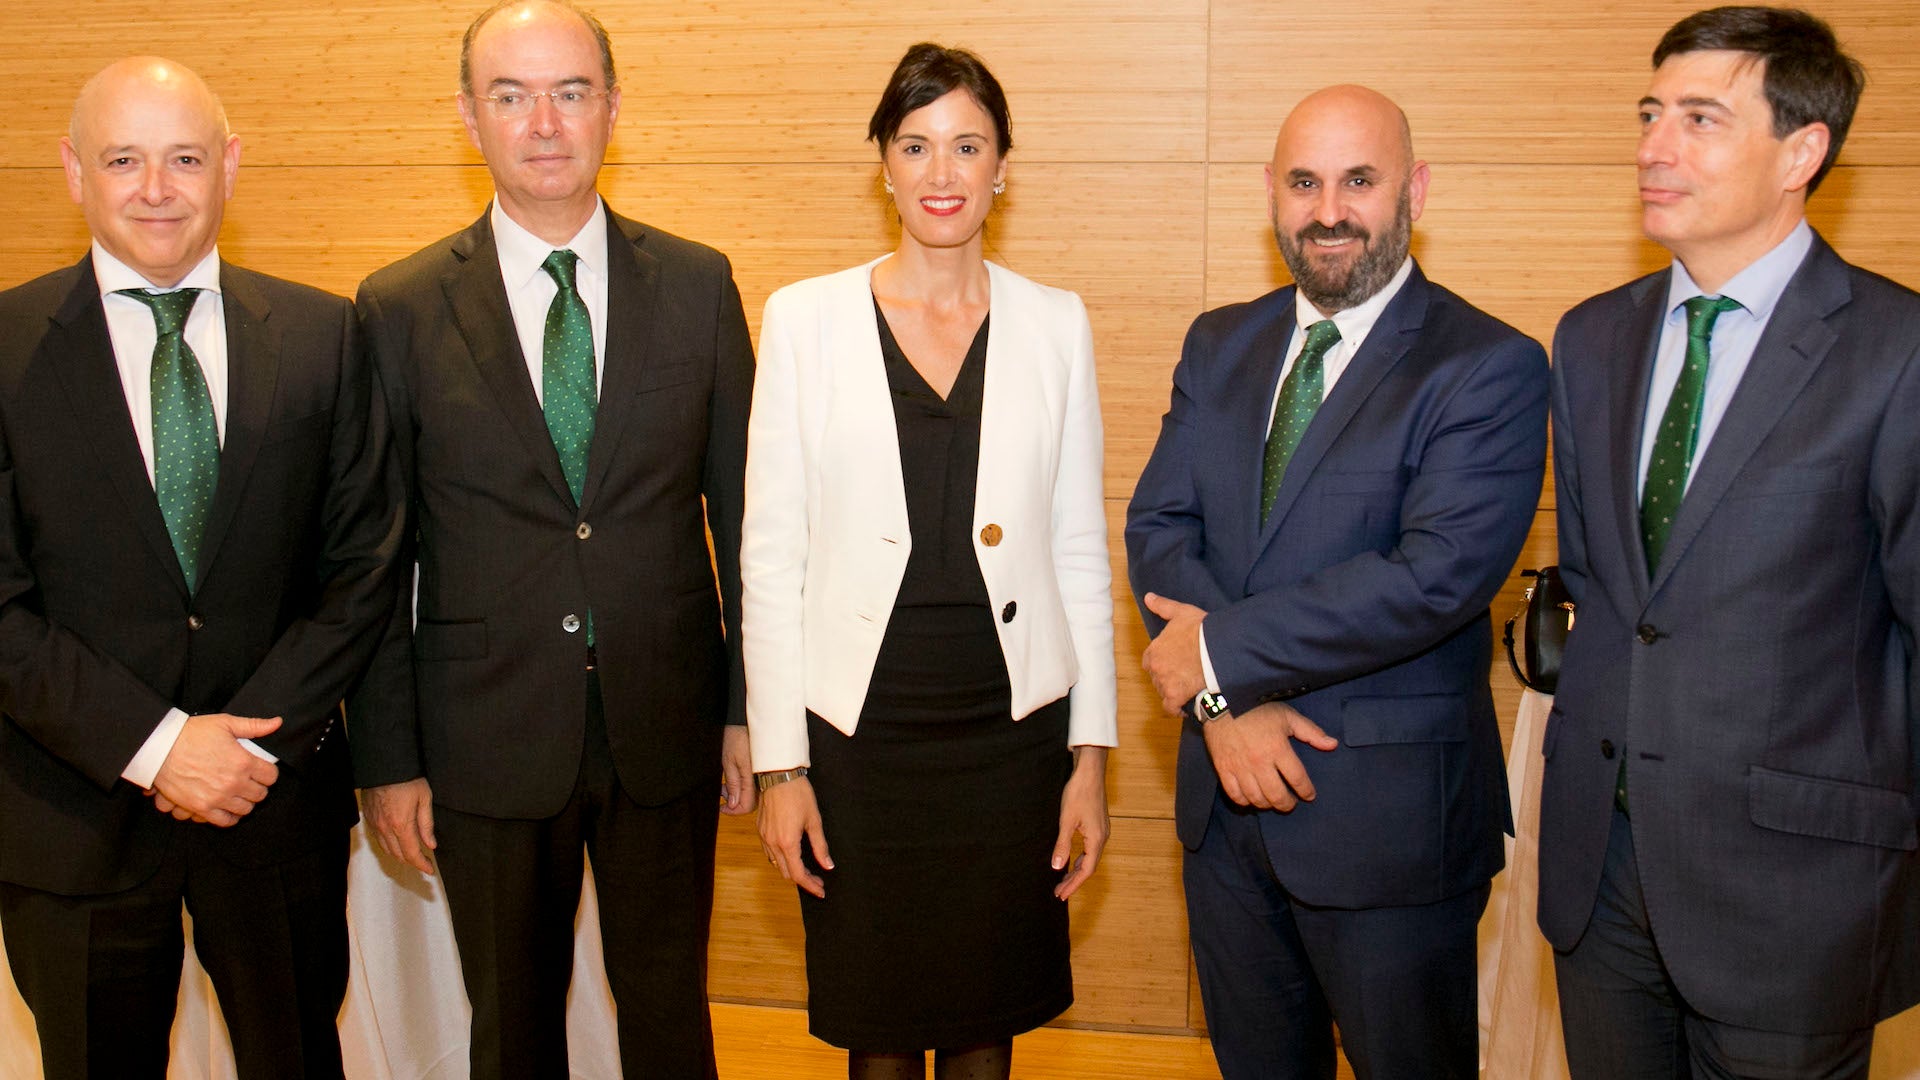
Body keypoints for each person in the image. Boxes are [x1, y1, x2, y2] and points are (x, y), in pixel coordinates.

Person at [347, 1, 754, 1076]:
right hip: (482, 731)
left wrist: (748, 710)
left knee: (671, 1016)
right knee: (511, 1031)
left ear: (611, 110)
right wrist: (386, 759)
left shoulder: (701, 286)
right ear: (468, 118)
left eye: (570, 92)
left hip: (665, 722)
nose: (543, 122)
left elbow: (749, 520)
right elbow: (376, 562)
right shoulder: (396, 308)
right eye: (511, 95)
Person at [1125, 84, 1547, 1079]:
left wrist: (1220, 655)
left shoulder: (1487, 364)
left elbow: (1435, 578)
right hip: (1227, 819)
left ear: (1416, 190)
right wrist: (1225, 703)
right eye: (1305, 182)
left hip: (1391, 832)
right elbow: (1160, 525)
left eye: (1360, 181)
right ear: (1271, 193)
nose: (1329, 212)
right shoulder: (1218, 342)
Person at [0, 57, 402, 1078]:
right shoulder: (1, 348)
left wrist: (245, 749)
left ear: (228, 165)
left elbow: (363, 565)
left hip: (273, 813)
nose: (154, 189)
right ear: (72, 172)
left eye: (183, 158)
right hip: (71, 819)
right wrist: (156, 744)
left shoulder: (323, 336)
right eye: (123, 160)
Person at [1538, 7, 1920, 1077]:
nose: (1655, 147)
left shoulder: (1897, 353)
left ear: (1805, 150)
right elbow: (1608, 595)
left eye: (1701, 119)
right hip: (1602, 878)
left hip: (1798, 897)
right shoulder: (1592, 336)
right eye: (1652, 113)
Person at [745, 42, 1116, 1080]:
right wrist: (783, 765)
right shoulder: (804, 320)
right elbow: (770, 561)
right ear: (885, 165)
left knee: (984, 1024)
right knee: (879, 1027)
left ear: (1003, 167)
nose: (941, 173)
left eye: (967, 145)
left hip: (1011, 741)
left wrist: (1089, 760)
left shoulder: (1055, 323)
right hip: (862, 737)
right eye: (916, 145)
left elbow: (1079, 551)